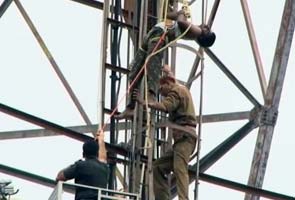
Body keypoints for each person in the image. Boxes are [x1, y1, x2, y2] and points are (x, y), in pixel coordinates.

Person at [114, 6, 215, 119]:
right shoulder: (193, 30)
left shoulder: (197, 31)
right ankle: (130, 108)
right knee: (134, 71)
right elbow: (168, 16)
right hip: (153, 35)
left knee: (152, 65)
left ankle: (150, 96)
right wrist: (177, 13)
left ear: (204, 35)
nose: (206, 26)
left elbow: (181, 22)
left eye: (208, 29)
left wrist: (181, 14)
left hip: (158, 36)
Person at [134, 70, 197, 200]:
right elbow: (172, 84)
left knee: (180, 169)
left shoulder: (176, 91)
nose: (162, 94)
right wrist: (169, 72)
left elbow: (165, 106)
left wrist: (144, 102)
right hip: (182, 140)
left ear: (168, 83)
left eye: (162, 89)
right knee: (158, 167)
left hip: (185, 138)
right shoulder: (182, 88)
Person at [55, 131, 109, 200]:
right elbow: (103, 158)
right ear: (97, 153)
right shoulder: (104, 168)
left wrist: (74, 165)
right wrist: (101, 139)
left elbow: (60, 177)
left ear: (83, 154)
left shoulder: (80, 166)